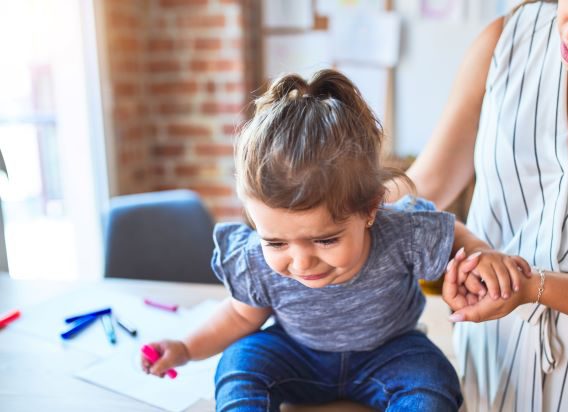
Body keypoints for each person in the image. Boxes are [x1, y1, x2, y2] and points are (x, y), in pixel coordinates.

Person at [141, 69, 528, 411]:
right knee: (239, 362)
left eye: (325, 240)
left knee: (434, 379)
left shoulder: (403, 232)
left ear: (370, 209)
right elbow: (241, 316)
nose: (301, 261)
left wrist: (479, 252)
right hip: (295, 356)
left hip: (390, 353)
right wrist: (186, 348)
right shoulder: (257, 261)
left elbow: (452, 234)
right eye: (275, 242)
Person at [390, 0, 568, 410]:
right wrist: (324, 202)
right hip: (491, 378)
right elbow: (426, 184)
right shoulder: (508, 40)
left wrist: (533, 287)